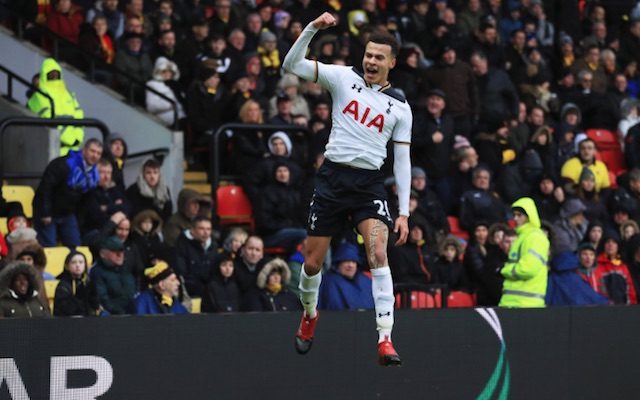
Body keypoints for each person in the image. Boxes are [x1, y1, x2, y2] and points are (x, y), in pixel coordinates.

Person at [283, 12, 412, 366]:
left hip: (369, 184)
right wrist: (312, 28)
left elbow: (402, 161)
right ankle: (309, 314)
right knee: (311, 264)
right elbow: (291, 64)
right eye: (368, 54)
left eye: (378, 57)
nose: (371, 61)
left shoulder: (400, 106)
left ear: (392, 63)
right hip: (333, 180)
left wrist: (404, 213)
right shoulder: (342, 78)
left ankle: (385, 338)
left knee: (379, 255)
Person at [33, 138, 103, 247]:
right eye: (92, 151)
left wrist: (79, 220)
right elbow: (46, 188)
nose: (95, 155)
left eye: (98, 153)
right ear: (84, 150)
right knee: (49, 246)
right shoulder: (63, 164)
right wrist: (45, 212)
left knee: (75, 246)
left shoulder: (93, 175)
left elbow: (85, 200)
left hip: (68, 213)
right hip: (49, 211)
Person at [27, 58, 85, 155]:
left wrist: (78, 137)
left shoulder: (68, 93)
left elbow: (79, 114)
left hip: (73, 148)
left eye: (56, 73)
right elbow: (49, 118)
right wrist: (71, 139)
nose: (54, 76)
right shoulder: (39, 95)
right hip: (53, 148)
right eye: (51, 74)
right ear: (45, 75)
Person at [499, 197, 549, 308]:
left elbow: (528, 269)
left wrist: (504, 270)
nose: (515, 219)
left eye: (519, 215)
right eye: (514, 215)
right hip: (513, 303)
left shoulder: (535, 237)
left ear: (529, 216)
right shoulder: (522, 237)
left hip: (526, 305)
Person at [318, 241, 374, 311]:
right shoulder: (327, 282)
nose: (350, 265)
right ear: (338, 263)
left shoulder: (367, 282)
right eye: (346, 261)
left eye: (353, 261)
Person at [90, 236, 137, 315]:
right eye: (114, 251)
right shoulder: (96, 272)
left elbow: (135, 289)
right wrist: (122, 314)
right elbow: (103, 299)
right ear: (102, 254)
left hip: (134, 315)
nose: (120, 254)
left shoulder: (127, 267)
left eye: (121, 250)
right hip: (112, 318)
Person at [53, 250, 97, 316]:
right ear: (67, 266)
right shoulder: (63, 285)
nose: (77, 265)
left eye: (81, 262)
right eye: (73, 262)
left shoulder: (88, 283)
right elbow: (64, 309)